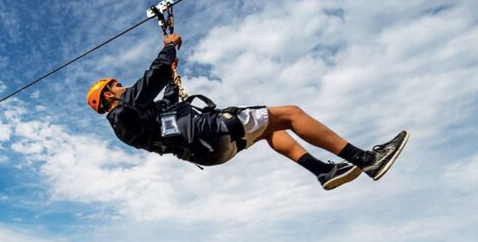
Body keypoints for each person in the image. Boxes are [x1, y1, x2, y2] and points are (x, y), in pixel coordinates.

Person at [86, 33, 408, 190]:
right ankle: (367, 160)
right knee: (291, 114)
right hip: (210, 132)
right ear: (108, 96)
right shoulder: (123, 114)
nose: (122, 85)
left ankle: (322, 171)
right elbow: (151, 78)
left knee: (270, 129)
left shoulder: (136, 121)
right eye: (116, 85)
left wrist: (172, 69)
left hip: (208, 151)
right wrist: (169, 47)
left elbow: (168, 102)